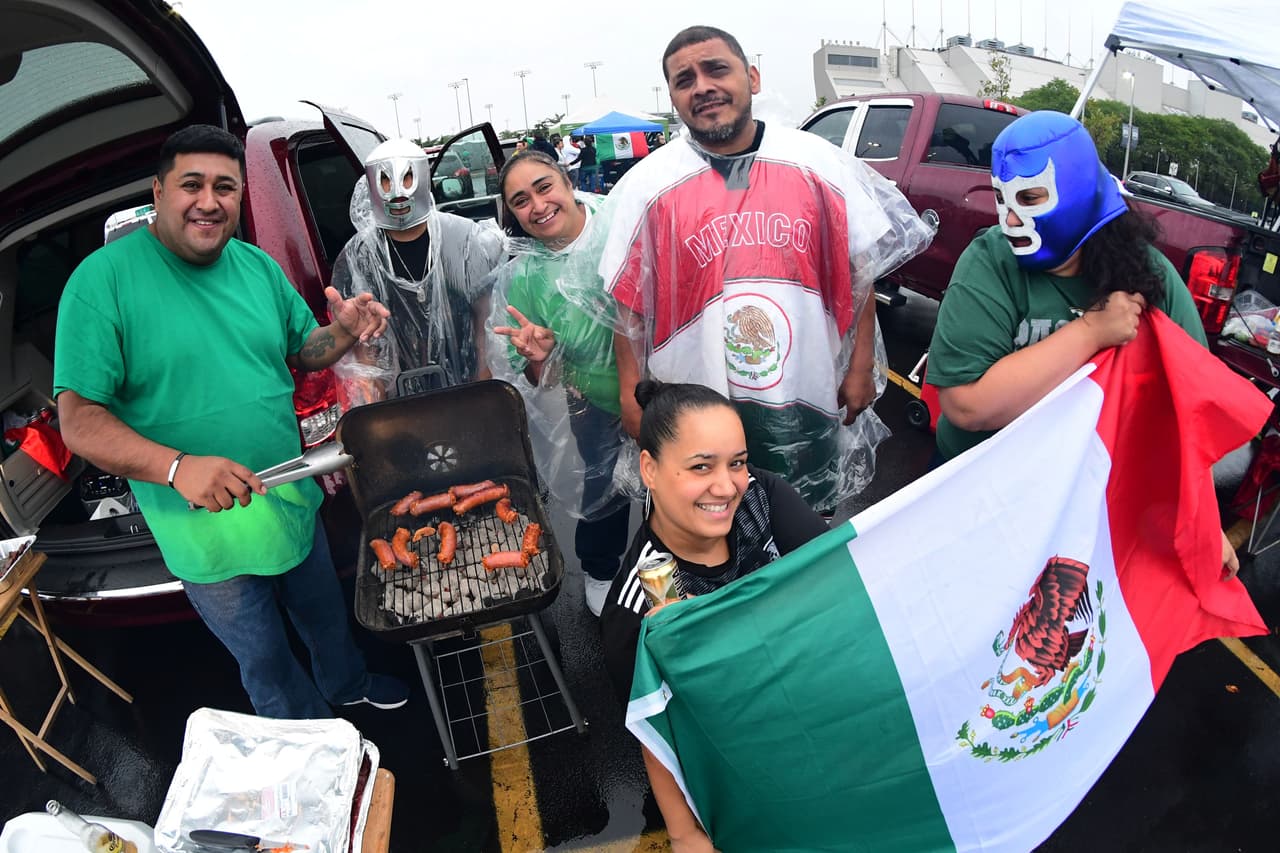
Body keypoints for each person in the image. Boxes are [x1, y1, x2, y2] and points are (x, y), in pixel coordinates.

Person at [53, 125, 409, 719]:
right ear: (159, 190)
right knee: (265, 660)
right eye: (192, 184)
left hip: (290, 499)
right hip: (202, 530)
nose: (209, 201)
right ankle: (308, 744)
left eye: (225, 187)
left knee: (326, 618)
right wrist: (175, 467)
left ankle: (347, 684)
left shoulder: (257, 268)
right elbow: (79, 421)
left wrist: (343, 331)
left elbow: (303, 351)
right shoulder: (101, 282)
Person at [594, 25, 933, 514]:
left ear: (751, 77)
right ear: (673, 97)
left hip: (803, 390)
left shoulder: (817, 164)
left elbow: (860, 275)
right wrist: (630, 393)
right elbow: (626, 303)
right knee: (709, 533)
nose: (702, 86)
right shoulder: (647, 186)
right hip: (692, 399)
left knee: (802, 525)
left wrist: (862, 365)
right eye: (684, 79)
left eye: (716, 69)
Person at [926, 110, 1241, 578]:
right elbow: (968, 404)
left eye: (1031, 198)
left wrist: (1201, 518)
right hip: (982, 492)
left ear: (1076, 191)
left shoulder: (1148, 274)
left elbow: (1188, 410)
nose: (1011, 219)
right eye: (1000, 198)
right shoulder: (990, 261)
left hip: (1090, 504)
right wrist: (1091, 331)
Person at [600, 380, 828, 851]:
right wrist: (684, 834)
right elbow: (655, 727)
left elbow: (836, 573)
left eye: (737, 462)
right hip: (729, 760)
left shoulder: (764, 496)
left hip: (798, 719)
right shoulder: (640, 601)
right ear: (650, 469)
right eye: (701, 467)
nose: (727, 487)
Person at [487, 151, 632, 616]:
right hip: (592, 396)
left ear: (568, 182)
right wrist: (540, 357)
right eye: (521, 201)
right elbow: (531, 372)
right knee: (602, 483)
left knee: (679, 476)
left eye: (544, 187)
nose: (538, 205)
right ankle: (600, 569)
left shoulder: (621, 223)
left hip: (661, 384)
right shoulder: (526, 274)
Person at [331, 138, 502, 400]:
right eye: (385, 180)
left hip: (468, 394)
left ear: (422, 176)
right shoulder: (358, 256)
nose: (397, 192)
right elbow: (363, 341)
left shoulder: (466, 240)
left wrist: (484, 382)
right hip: (399, 403)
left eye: (408, 176)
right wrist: (373, 401)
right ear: (372, 185)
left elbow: (485, 321)